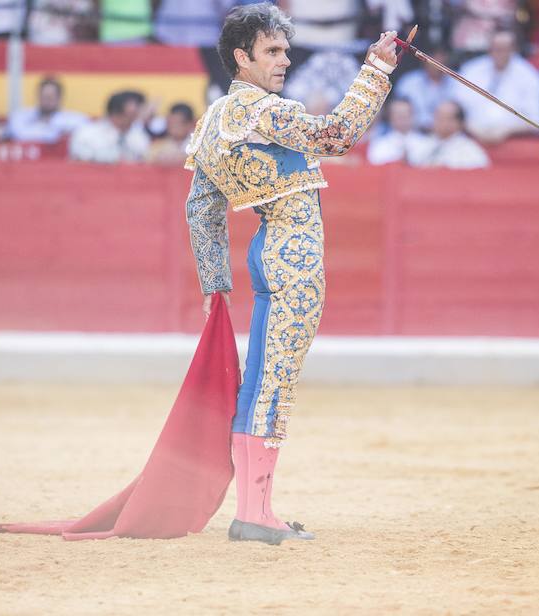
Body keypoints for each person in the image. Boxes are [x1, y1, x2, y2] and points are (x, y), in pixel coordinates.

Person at [183, 3, 396, 544]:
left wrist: (215, 283)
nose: (284, 60)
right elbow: (336, 134)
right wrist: (375, 70)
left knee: (262, 381)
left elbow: (201, 208)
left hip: (266, 250)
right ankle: (255, 513)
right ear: (242, 57)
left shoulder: (213, 121)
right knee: (272, 384)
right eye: (272, 51)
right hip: (293, 253)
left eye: (284, 49)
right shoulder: (264, 111)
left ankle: (256, 507)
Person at [453, 28, 539, 142]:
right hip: (470, 139)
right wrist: (472, 128)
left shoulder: (529, 76)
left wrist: (507, 131)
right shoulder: (471, 70)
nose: (500, 53)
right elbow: (453, 109)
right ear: (489, 49)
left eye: (504, 49)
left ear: (514, 49)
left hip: (515, 143)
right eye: (496, 48)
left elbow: (538, 121)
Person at [69, 91, 150, 163]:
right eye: (137, 105)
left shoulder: (139, 135)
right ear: (117, 109)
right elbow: (80, 158)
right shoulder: (87, 133)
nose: (140, 110)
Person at [409, 100, 490, 169]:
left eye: (445, 118)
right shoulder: (423, 144)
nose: (439, 122)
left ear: (458, 123)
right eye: (437, 117)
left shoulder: (470, 150)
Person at [393, 45, 455, 132]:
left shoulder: (455, 83)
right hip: (413, 134)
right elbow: (397, 113)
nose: (437, 62)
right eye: (433, 57)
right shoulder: (408, 82)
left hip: (447, 134)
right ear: (423, 59)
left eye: (440, 57)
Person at [8, 77, 87, 143]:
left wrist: (52, 124)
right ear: (38, 96)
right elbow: (19, 133)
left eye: (50, 97)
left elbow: (84, 127)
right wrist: (53, 130)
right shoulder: (22, 116)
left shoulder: (72, 118)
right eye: (44, 97)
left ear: (59, 98)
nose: (47, 101)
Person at [367, 98, 430, 165]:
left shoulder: (425, 143)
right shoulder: (379, 145)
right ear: (390, 117)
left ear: (413, 115)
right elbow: (375, 165)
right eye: (398, 115)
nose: (402, 118)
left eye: (406, 114)